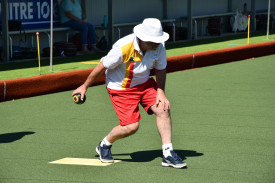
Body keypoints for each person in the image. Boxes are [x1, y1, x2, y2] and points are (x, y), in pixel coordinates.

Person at [72, 18, 187, 169]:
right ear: (142, 38)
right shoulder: (123, 47)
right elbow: (102, 66)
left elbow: (160, 69)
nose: (156, 44)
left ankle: (168, 153)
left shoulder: (158, 46)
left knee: (163, 108)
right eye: (152, 41)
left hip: (144, 84)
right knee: (131, 126)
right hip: (121, 89)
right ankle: (105, 144)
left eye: (157, 40)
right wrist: (84, 86)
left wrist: (161, 92)